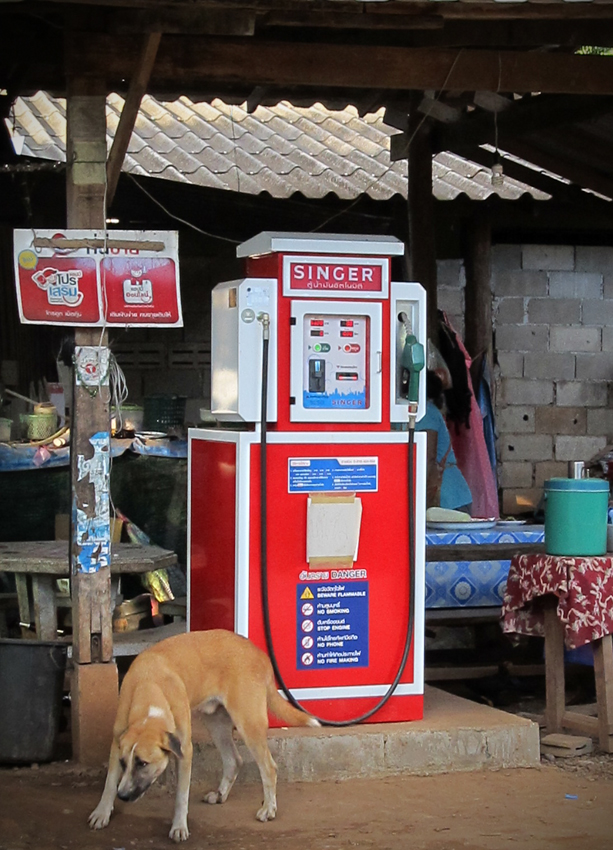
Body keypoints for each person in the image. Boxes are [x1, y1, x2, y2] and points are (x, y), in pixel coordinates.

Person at [417, 370, 472, 513]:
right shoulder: (428, 411)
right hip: (453, 496)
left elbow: (428, 459)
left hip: (448, 500)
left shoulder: (425, 412)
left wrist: (420, 503)